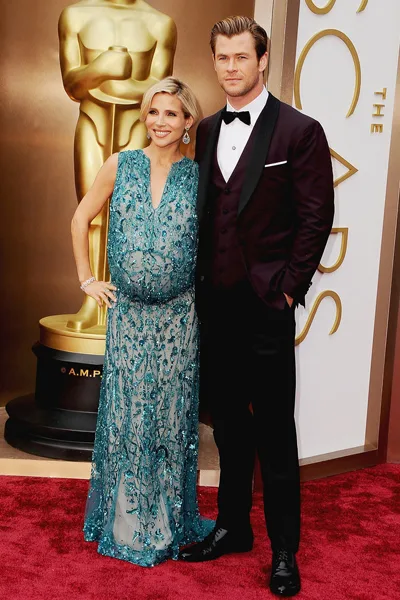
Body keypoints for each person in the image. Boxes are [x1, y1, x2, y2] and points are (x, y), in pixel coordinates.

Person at [179, 16, 334, 598]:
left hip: (267, 306)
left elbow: (316, 217)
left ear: (262, 60)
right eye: (222, 57)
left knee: (274, 432)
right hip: (215, 307)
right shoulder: (206, 129)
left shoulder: (300, 131)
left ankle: (284, 550)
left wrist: (288, 289)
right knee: (228, 427)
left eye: (241, 57)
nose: (231, 67)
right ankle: (233, 527)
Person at [71, 77, 214, 567]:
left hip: (179, 318)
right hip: (128, 315)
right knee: (130, 413)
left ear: (188, 121)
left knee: (171, 418)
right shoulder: (121, 164)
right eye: (153, 111)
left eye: (171, 113)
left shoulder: (199, 177)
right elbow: (80, 218)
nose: (160, 121)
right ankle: (126, 522)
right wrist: (87, 279)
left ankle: (169, 519)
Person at [59, 0, 177, 331]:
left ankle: (121, 301)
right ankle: (91, 299)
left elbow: (160, 92)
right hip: (92, 120)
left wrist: (110, 82)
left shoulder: (160, 24)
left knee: (131, 215)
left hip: (136, 127)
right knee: (91, 212)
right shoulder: (75, 16)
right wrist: (102, 68)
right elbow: (71, 83)